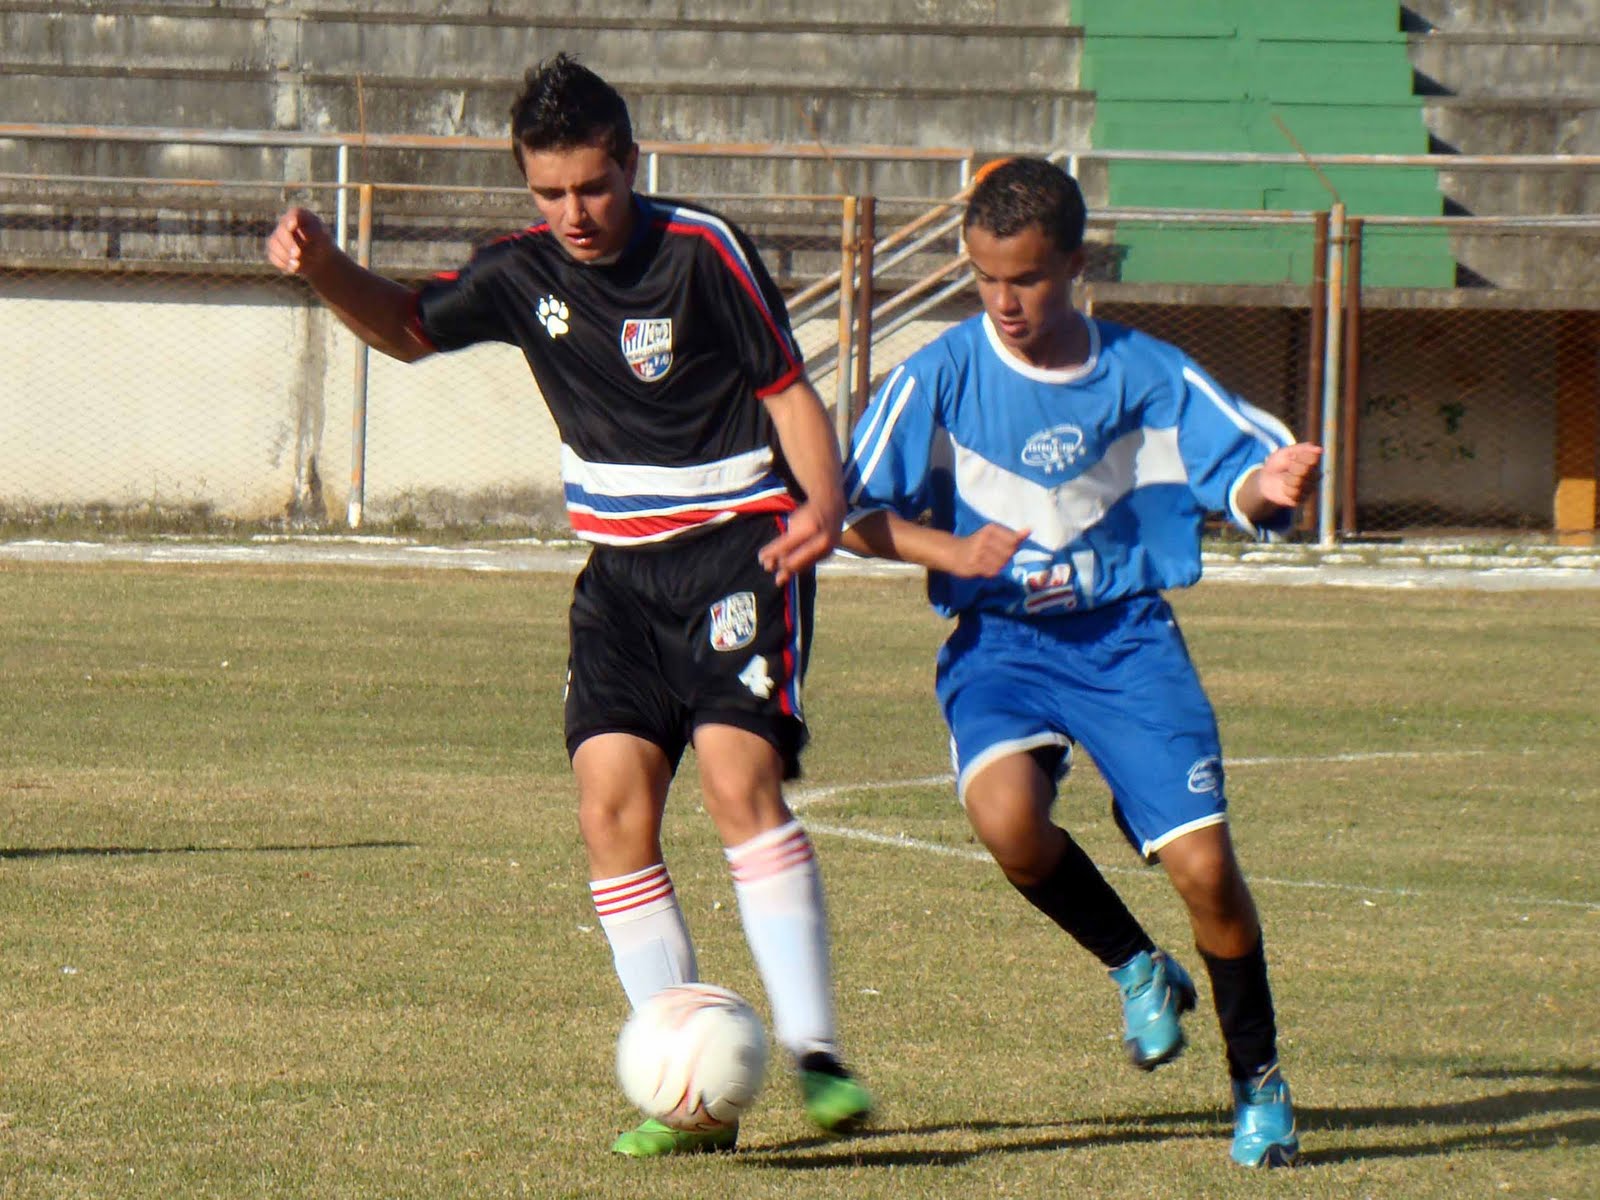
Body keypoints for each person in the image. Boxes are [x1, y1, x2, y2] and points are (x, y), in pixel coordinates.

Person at [265, 53, 871, 1157]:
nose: (574, 212)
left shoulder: (703, 253)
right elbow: (406, 329)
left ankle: (819, 1055)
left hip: (741, 556)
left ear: (630, 164)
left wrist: (822, 505)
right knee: (609, 815)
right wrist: (323, 268)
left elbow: (787, 389)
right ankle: (682, 1097)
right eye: (549, 192)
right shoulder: (520, 271)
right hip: (619, 584)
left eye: (592, 185)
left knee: (740, 784)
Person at [839, 157, 1320, 1169]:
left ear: (1073, 264)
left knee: (1205, 871)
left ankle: (1258, 1082)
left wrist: (1265, 492)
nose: (1004, 302)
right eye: (984, 278)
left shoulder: (1145, 372)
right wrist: (951, 553)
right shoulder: (941, 372)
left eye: (1026, 278)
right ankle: (1136, 967)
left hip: (1124, 641)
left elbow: (1237, 467)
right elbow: (850, 511)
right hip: (1001, 646)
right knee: (1008, 821)